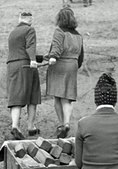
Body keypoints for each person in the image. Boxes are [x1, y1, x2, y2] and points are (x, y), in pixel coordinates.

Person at [45, 7, 84, 138]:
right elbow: (81, 56)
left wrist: (53, 57)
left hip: (59, 65)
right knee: (67, 98)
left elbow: (57, 47)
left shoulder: (59, 31)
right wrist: (74, 66)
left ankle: (61, 124)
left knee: (57, 96)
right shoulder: (78, 35)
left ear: (59, 19)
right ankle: (67, 124)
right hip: (72, 66)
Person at [6, 11, 41, 140]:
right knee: (33, 95)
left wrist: (40, 58)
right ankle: (31, 127)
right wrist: (33, 60)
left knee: (16, 95)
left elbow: (20, 50)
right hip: (26, 67)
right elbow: (30, 46)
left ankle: (15, 126)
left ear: (19, 19)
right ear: (30, 20)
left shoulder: (13, 32)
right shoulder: (30, 30)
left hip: (12, 65)